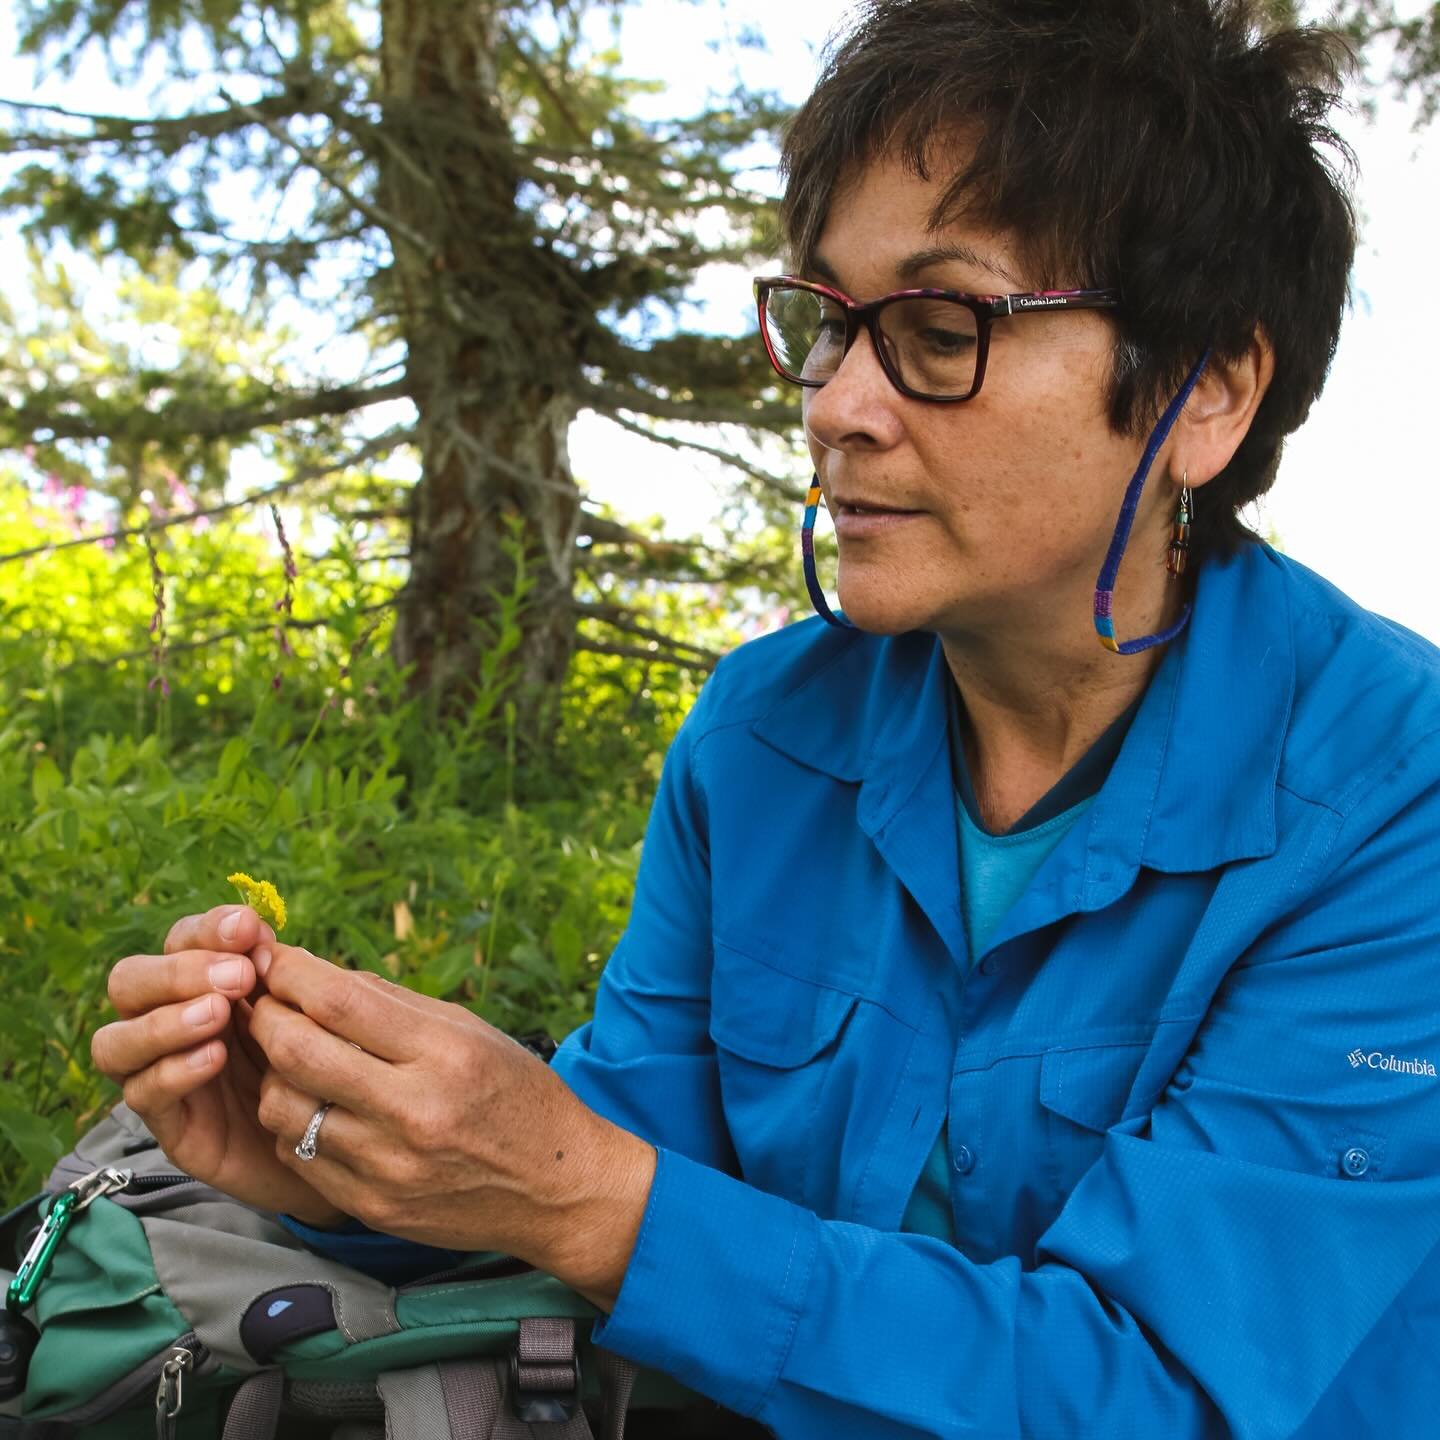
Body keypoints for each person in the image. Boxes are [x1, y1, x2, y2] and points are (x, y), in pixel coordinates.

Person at [93, 1, 1440, 1434]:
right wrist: (341, 1155)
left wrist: (586, 1194)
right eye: (828, 322)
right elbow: (622, 1155)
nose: (838, 404)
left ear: (1207, 392)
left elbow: (1165, 1393)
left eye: (941, 327)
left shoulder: (1389, 804)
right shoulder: (766, 739)